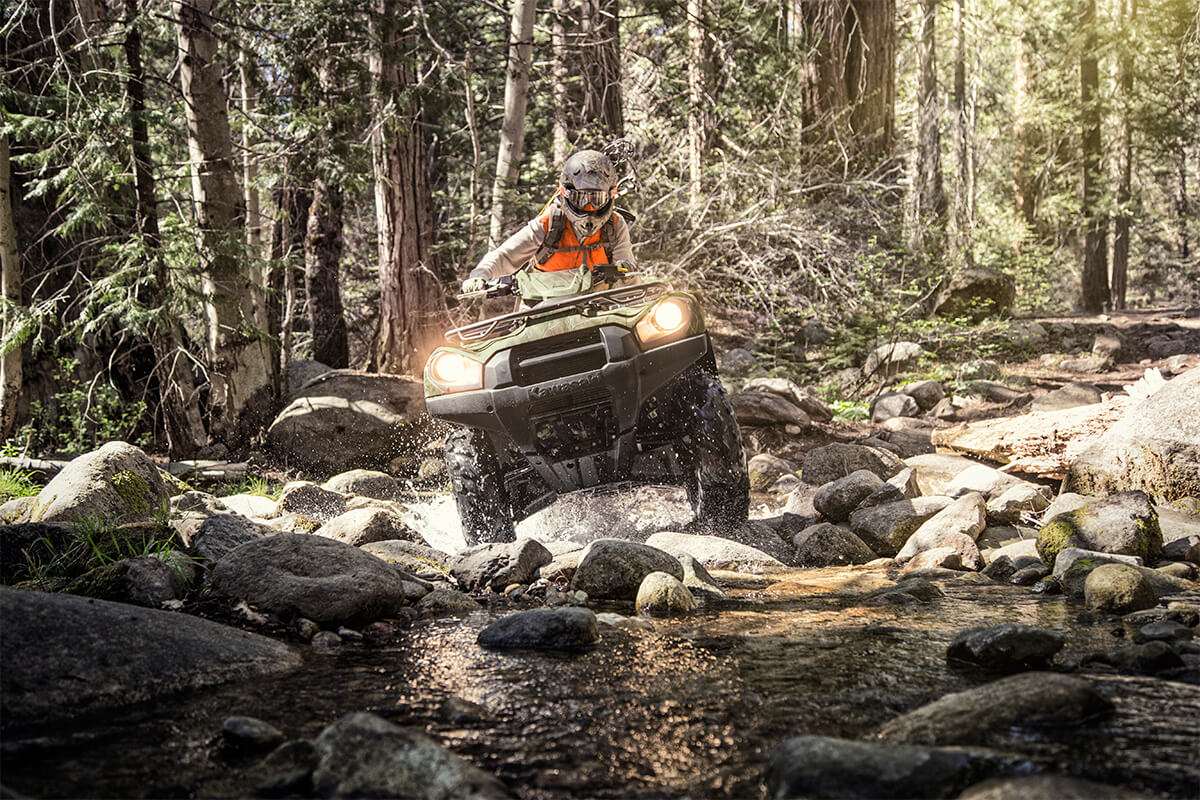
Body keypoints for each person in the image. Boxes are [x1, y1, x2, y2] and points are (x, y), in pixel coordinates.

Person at [461, 149, 634, 294]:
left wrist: (626, 272)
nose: (588, 207)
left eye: (596, 199)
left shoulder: (615, 226)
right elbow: (504, 256)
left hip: (595, 306)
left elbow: (628, 274)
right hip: (541, 308)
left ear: (611, 195)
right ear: (565, 193)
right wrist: (480, 275)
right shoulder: (549, 224)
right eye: (580, 198)